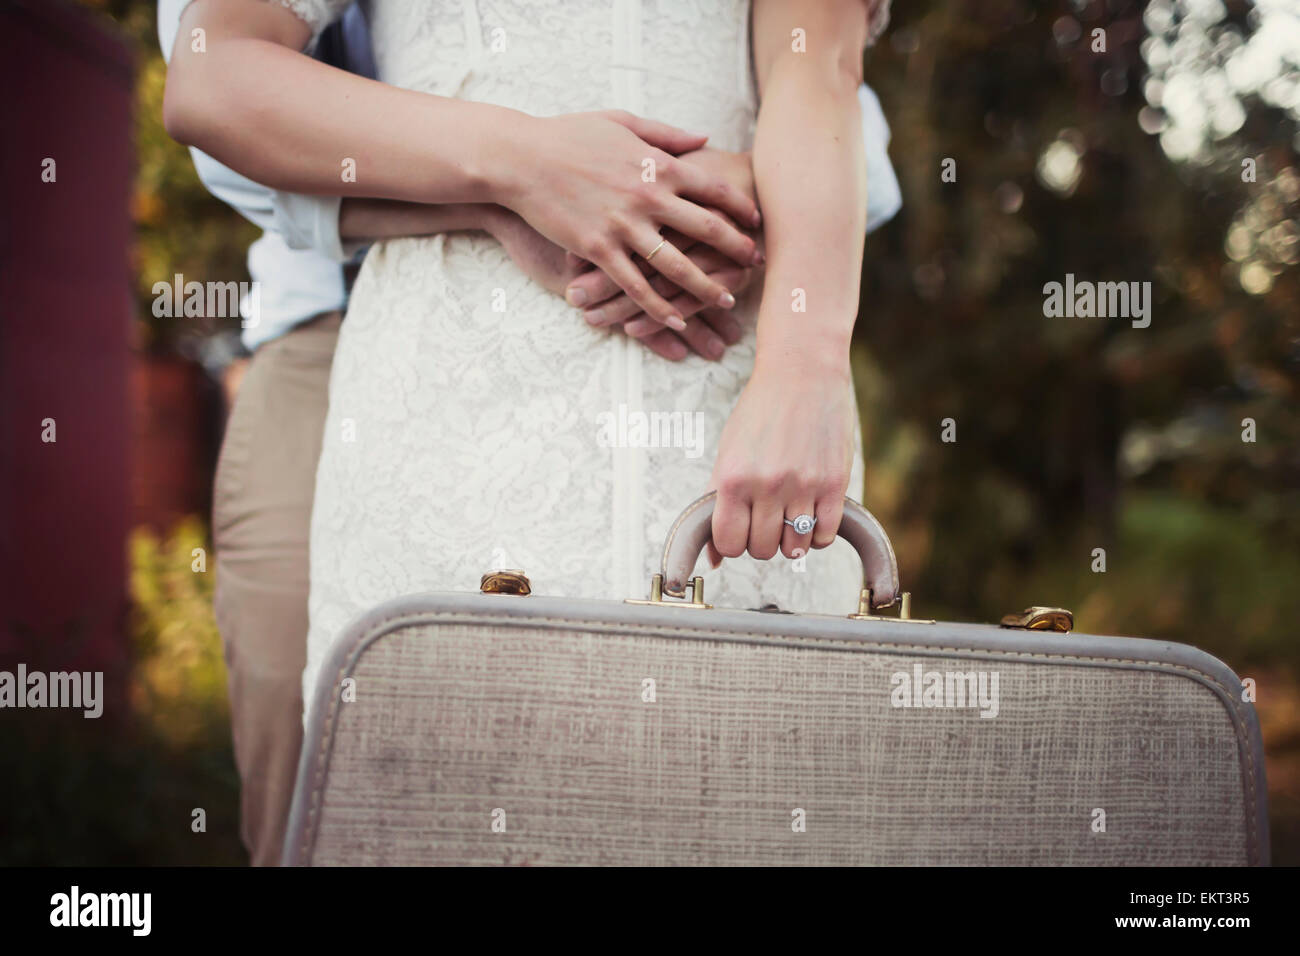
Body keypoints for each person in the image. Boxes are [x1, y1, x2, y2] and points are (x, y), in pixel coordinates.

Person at [161, 0, 898, 864]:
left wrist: (805, 366)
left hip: (722, 407)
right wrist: (521, 169)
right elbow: (212, 71)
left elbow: (818, 72)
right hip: (442, 401)